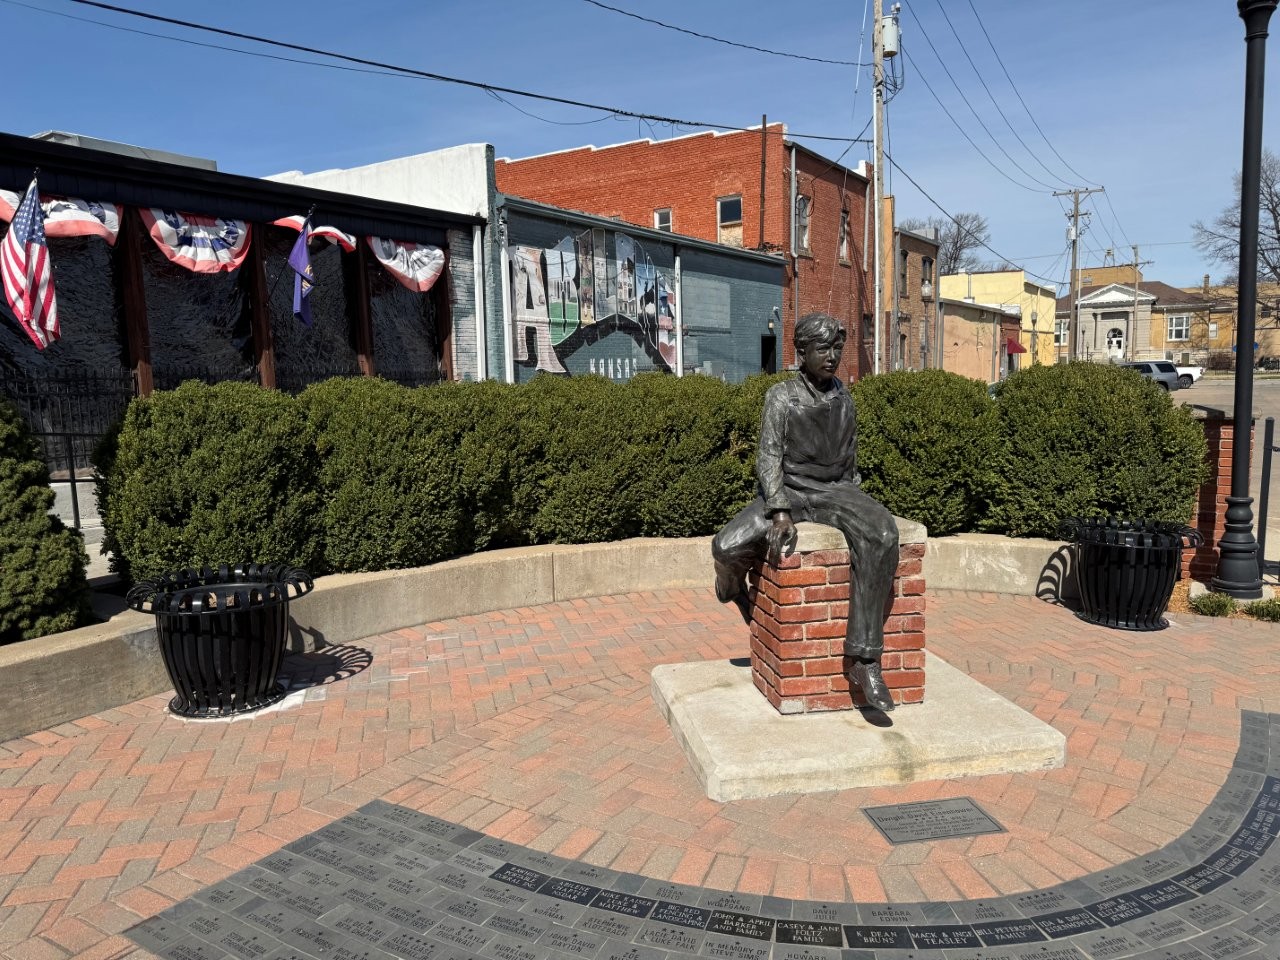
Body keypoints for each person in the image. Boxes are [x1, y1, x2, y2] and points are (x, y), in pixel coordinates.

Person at [712, 312, 899, 712]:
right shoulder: (782, 396)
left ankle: (865, 660)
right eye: (822, 349)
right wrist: (778, 509)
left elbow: (849, 460)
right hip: (791, 492)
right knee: (725, 546)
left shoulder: (844, 398)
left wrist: (854, 500)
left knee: (883, 534)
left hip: (834, 491)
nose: (831, 357)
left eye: (836, 349)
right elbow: (768, 457)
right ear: (801, 352)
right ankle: (733, 590)